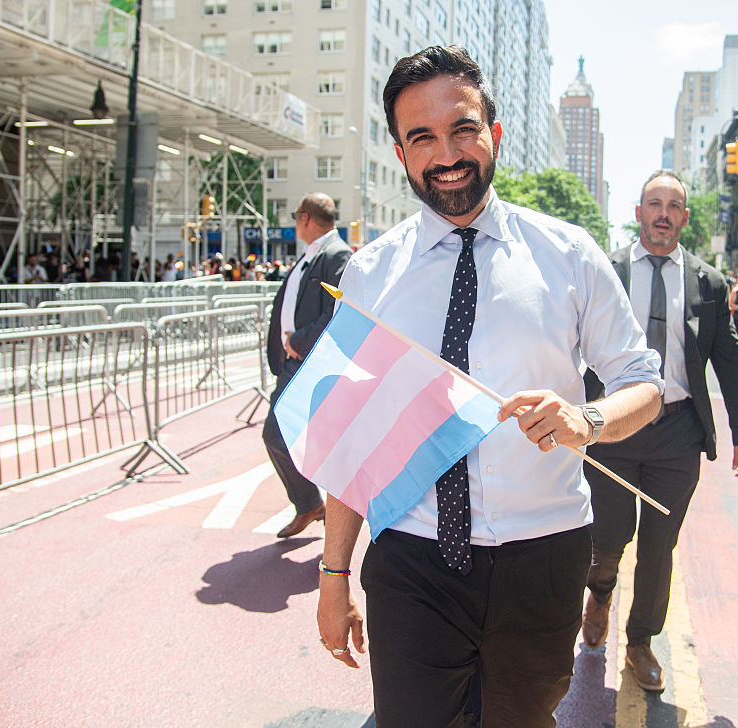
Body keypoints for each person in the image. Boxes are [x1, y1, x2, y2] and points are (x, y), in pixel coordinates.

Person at [315, 46, 663, 728]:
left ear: (494, 135)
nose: (446, 153)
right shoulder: (368, 276)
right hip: (411, 554)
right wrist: (333, 576)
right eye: (422, 138)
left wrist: (587, 418)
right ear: (401, 154)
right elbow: (349, 440)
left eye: (462, 129)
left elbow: (642, 384)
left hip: (544, 553)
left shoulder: (570, 255)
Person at [581, 169, 738, 692]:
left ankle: (639, 642)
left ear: (684, 215)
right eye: (653, 203)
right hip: (612, 427)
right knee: (607, 536)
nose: (663, 213)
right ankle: (601, 590)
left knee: (660, 544)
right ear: (638, 213)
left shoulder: (708, 281)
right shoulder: (605, 269)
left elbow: (728, 358)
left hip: (678, 430)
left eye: (674, 204)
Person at [262, 193, 352, 538]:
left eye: (296, 216)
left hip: (311, 364)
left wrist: (297, 340)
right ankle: (311, 506)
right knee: (282, 437)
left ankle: (321, 512)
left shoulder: (336, 255)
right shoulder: (310, 255)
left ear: (305, 218)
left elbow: (336, 313)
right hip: (293, 363)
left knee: (284, 436)